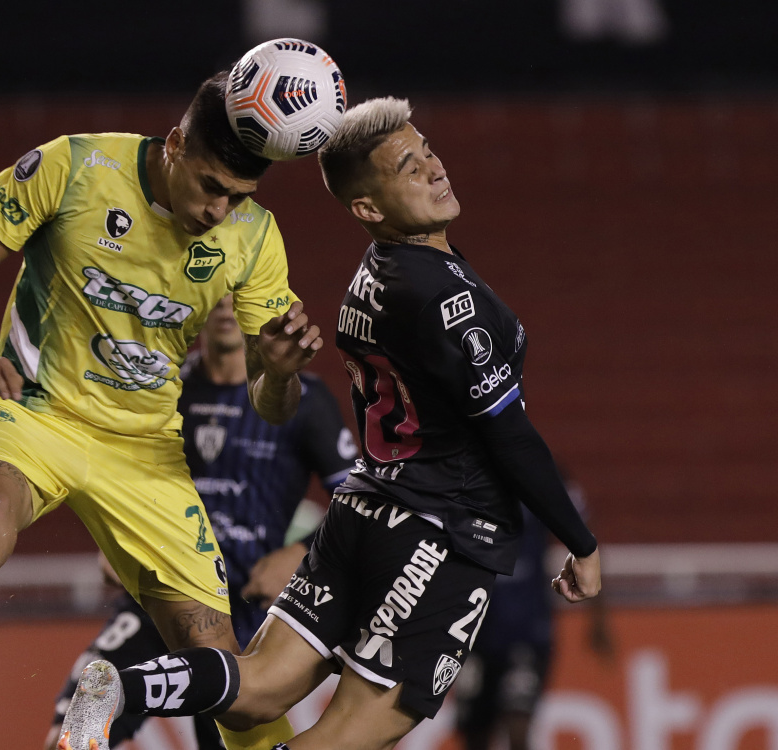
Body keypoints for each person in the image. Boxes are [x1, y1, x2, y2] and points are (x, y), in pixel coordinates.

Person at [55, 96, 603, 750]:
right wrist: (582, 543)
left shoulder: (373, 276)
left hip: (362, 512)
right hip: (442, 533)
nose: (434, 168)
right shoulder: (448, 300)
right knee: (348, 735)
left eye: (426, 150)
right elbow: (508, 434)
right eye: (408, 167)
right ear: (367, 208)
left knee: (257, 689)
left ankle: (124, 687)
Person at [0, 68, 325, 750]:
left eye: (237, 197)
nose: (218, 210)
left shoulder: (255, 237)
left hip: (145, 452)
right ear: (175, 144)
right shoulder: (76, 167)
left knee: (229, 682)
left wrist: (283, 374)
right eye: (211, 186)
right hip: (32, 411)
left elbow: (272, 406)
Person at [44, 294, 357, 750]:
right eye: (217, 295)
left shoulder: (304, 401)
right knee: (72, 730)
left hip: (246, 615)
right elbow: (119, 475)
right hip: (163, 594)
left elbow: (356, 499)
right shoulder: (162, 388)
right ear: (193, 303)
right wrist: (114, 538)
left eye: (237, 296)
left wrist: (301, 553)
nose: (226, 308)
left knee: (234, 738)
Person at [453, 483, 614, 750]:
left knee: (518, 725)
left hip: (527, 631)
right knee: (474, 732)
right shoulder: (468, 474)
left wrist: (598, 618)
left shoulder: (543, 474)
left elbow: (584, 535)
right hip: (474, 632)